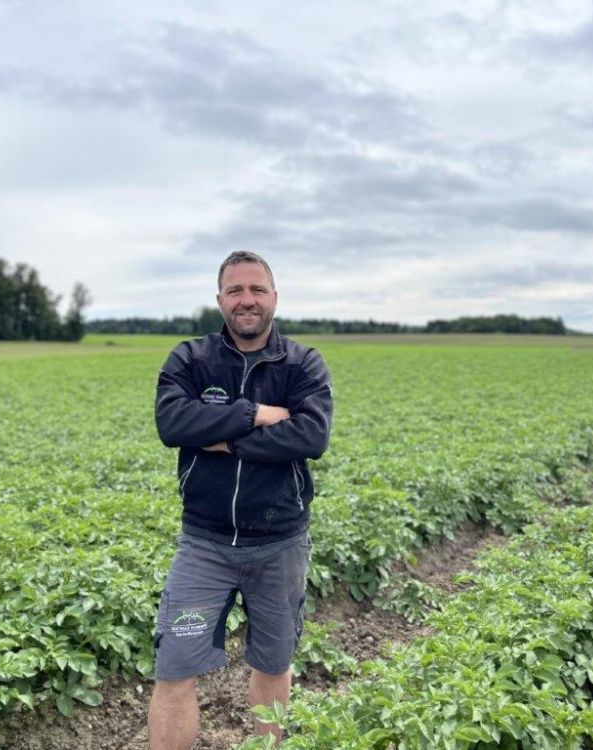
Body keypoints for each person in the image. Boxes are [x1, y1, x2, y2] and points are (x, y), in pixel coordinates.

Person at [147, 250, 333, 749]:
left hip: (280, 545)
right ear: (220, 300)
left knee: (273, 662)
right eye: (235, 291)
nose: (246, 300)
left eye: (256, 290)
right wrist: (254, 413)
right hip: (204, 546)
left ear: (273, 297)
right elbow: (172, 424)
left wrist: (221, 439)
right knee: (175, 665)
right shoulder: (191, 358)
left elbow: (310, 437)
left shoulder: (302, 364)